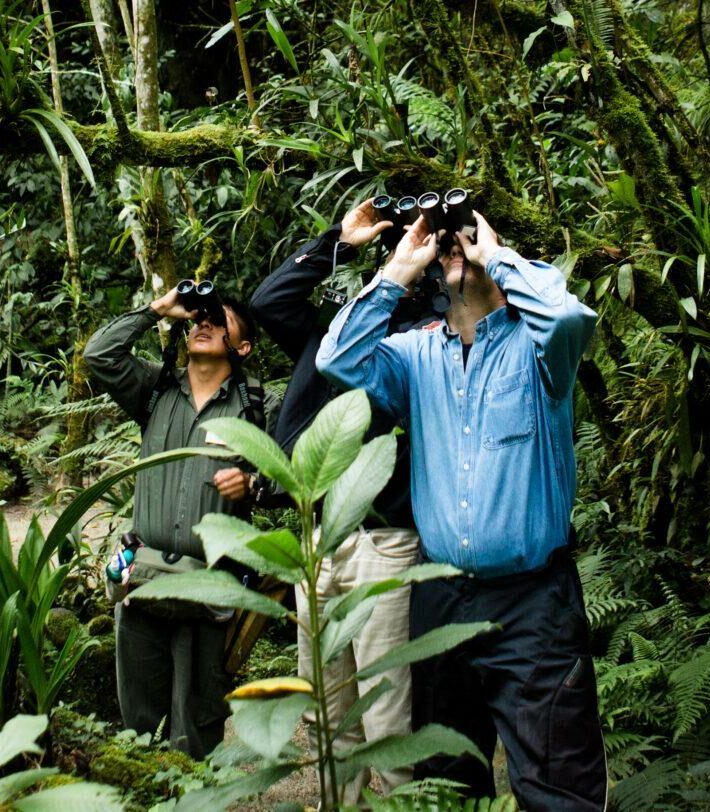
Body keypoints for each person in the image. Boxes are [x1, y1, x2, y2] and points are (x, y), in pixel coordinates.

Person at [315, 213, 607, 810]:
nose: (456, 248)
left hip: (534, 604)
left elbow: (569, 315)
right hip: (441, 598)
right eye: (450, 241)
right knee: (445, 782)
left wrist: (495, 257)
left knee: (559, 788)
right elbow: (336, 360)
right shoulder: (412, 356)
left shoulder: (539, 350)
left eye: (464, 237)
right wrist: (400, 267)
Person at [249, 199, 432, 804]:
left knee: (389, 720)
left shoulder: (424, 344)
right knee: (327, 714)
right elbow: (268, 302)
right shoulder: (332, 329)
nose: (403, 255)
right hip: (317, 538)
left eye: (415, 249)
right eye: (396, 247)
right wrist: (342, 242)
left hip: (385, 540)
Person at [83, 285, 275, 758]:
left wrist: (253, 483)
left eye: (219, 318)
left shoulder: (258, 407)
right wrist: (157, 311)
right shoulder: (155, 389)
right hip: (142, 582)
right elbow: (99, 354)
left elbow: (295, 476)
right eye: (198, 318)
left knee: (195, 729)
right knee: (137, 728)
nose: (203, 322)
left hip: (210, 591)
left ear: (243, 347)